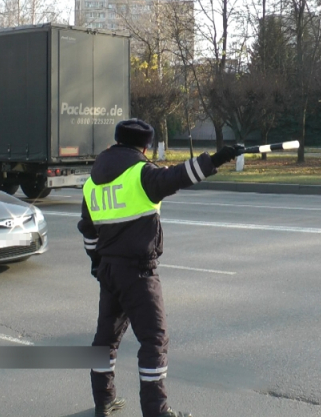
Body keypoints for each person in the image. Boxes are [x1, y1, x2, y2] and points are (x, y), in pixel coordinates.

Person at [78, 119, 239, 417]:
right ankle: (157, 412)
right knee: (154, 341)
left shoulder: (91, 182)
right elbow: (178, 177)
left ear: (117, 141)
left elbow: (88, 233)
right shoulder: (141, 174)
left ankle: (104, 402)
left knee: (105, 341)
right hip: (139, 272)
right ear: (145, 146)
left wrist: (97, 264)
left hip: (110, 273)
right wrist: (215, 159)